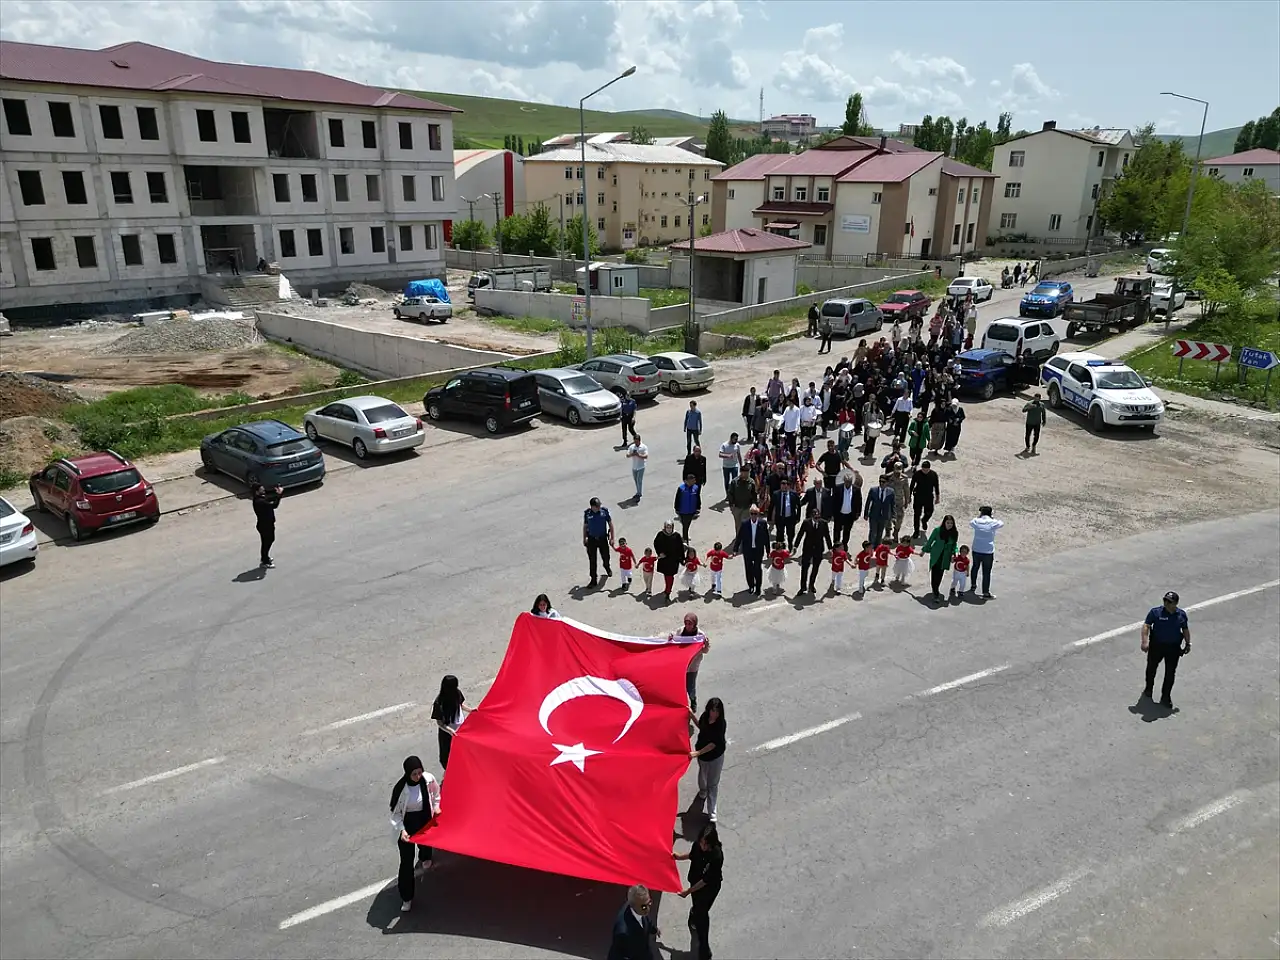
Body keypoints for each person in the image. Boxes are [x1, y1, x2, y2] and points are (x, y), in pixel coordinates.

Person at [389, 756, 440, 912]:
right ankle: (407, 897)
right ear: (407, 774)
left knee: (426, 843)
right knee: (406, 863)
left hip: (424, 818)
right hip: (407, 823)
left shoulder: (428, 779)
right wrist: (402, 830)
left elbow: (436, 794)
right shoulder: (401, 789)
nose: (418, 777)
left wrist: (437, 807)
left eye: (419, 772)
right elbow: (396, 814)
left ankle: (425, 857)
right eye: (414, 774)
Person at [675, 823, 724, 960]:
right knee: (697, 908)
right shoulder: (697, 846)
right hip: (695, 883)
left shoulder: (716, 856)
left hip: (708, 889)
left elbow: (705, 881)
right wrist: (679, 857)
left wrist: (688, 891)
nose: (702, 846)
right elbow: (692, 855)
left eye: (705, 844)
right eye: (702, 842)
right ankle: (694, 916)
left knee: (702, 913)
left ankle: (704, 949)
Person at [1142, 590, 1191, 708]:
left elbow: (1185, 629)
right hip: (1156, 646)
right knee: (1151, 669)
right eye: (1165, 600)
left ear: (1176, 603)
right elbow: (1146, 625)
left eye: (1169, 602)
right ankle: (1148, 689)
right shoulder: (1156, 612)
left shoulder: (1181, 615)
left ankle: (1165, 697)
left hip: (1173, 648)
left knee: (1170, 673)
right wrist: (1145, 641)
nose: (1166, 603)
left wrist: (1188, 643)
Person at [690, 697, 726, 822]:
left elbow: (713, 744)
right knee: (702, 777)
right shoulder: (705, 717)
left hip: (715, 757)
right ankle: (702, 792)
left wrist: (697, 753)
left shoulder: (721, 724)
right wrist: (691, 714)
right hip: (703, 757)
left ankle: (712, 812)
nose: (714, 713)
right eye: (712, 710)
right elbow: (700, 726)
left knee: (713, 784)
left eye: (716, 711)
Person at [608, 884, 658, 960]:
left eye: (649, 902)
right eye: (644, 906)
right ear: (633, 906)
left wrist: (654, 930)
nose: (648, 908)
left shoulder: (641, 908)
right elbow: (618, 954)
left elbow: (646, 920)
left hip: (644, 952)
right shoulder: (623, 932)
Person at [431, 674, 470, 770]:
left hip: (461, 729)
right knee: (447, 757)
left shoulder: (457, 693)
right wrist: (450, 731)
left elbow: (461, 705)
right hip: (447, 735)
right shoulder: (439, 702)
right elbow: (439, 722)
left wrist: (471, 710)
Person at [673, 612, 709, 710]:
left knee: (690, 688)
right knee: (680, 687)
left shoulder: (700, 635)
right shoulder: (680, 631)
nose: (687, 626)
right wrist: (671, 639)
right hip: (681, 665)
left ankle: (693, 700)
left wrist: (706, 645)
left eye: (690, 624)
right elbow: (674, 644)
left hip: (692, 667)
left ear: (694, 624)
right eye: (686, 623)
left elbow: (705, 651)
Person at [968, 505, 1004, 598]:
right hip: (988, 550)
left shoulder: (976, 521)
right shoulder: (993, 523)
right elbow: (1001, 523)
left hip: (976, 549)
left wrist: (979, 517)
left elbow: (971, 522)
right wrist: (992, 518)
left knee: (975, 567)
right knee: (986, 572)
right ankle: (985, 592)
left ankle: (973, 585)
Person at [922, 515, 959, 602]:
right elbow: (930, 541)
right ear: (944, 523)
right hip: (936, 555)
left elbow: (954, 545)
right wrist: (924, 550)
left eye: (951, 523)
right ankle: (936, 593)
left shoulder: (954, 533)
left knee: (940, 575)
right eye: (948, 523)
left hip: (946, 556)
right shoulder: (937, 530)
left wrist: (955, 553)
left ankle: (936, 589)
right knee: (934, 573)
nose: (949, 525)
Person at [796, 507, 832, 595]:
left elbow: (827, 536)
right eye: (815, 518)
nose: (817, 519)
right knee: (804, 568)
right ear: (812, 516)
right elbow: (800, 534)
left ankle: (811, 585)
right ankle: (803, 587)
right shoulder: (806, 522)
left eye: (818, 517)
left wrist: (830, 548)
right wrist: (795, 546)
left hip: (818, 549)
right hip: (807, 548)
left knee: (815, 568)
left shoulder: (823, 523)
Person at [736, 506, 770, 596]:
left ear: (758, 514)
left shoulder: (763, 523)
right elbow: (739, 537)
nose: (754, 516)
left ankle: (758, 587)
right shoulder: (745, 523)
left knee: (757, 569)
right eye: (752, 513)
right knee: (748, 569)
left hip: (758, 550)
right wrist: (735, 549)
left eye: (755, 514)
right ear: (749, 514)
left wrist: (768, 550)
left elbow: (766, 537)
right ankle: (751, 586)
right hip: (748, 550)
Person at [583, 497, 615, 587]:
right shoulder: (587, 514)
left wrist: (612, 538)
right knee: (592, 560)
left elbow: (611, 524)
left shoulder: (604, 512)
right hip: (592, 539)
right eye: (597, 506)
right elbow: (585, 526)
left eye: (599, 505)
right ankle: (593, 579)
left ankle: (607, 567)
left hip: (602, 539)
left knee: (606, 556)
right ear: (592, 507)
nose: (599, 507)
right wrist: (584, 538)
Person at [252, 483, 282, 568]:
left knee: (269, 541)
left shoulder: (261, 498)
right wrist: (279, 495)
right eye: (261, 489)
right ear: (257, 492)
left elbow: (270, 498)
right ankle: (265, 561)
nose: (263, 490)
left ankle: (264, 557)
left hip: (266, 524)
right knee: (267, 542)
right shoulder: (259, 502)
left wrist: (277, 493)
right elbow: (274, 505)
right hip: (265, 526)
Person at [654, 521, 685, 601]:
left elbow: (680, 548)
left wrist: (682, 559)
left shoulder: (676, 535)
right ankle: (667, 589)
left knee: (670, 576)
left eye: (670, 527)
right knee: (666, 575)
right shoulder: (661, 534)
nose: (669, 529)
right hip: (664, 559)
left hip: (673, 560)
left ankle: (668, 592)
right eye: (667, 527)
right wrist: (659, 553)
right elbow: (656, 543)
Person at [909, 460, 940, 538]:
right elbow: (912, 485)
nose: (925, 471)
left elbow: (936, 486)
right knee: (916, 515)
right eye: (923, 469)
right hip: (918, 496)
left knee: (930, 512)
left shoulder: (933, 474)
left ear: (929, 469)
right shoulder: (917, 474)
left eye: (926, 469)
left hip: (928, 497)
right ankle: (916, 531)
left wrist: (937, 497)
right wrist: (908, 496)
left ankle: (924, 520)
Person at [831, 472, 862, 548]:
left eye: (850, 482)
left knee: (847, 531)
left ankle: (844, 544)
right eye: (847, 481)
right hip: (839, 514)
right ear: (844, 481)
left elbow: (859, 502)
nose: (848, 483)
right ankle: (836, 545)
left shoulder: (856, 489)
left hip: (850, 515)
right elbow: (833, 501)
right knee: (837, 530)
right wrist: (832, 513)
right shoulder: (838, 488)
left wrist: (858, 514)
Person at [768, 477, 800, 551]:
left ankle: (790, 544)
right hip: (780, 517)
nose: (785, 485)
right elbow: (771, 506)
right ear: (780, 485)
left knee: (791, 533)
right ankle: (780, 548)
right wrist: (769, 518)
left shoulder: (794, 494)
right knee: (780, 533)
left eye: (787, 484)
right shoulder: (776, 494)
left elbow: (798, 507)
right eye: (783, 484)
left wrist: (798, 517)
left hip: (790, 518)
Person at [864, 474, 895, 547]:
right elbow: (868, 502)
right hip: (874, 515)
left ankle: (877, 547)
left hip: (884, 516)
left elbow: (893, 504)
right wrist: (866, 514)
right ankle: (870, 547)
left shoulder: (891, 492)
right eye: (880, 481)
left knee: (880, 532)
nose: (881, 483)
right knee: (873, 532)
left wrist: (893, 516)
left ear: (887, 482)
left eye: (883, 482)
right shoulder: (873, 490)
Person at [727, 470, 758, 540]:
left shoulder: (751, 481)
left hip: (747, 507)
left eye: (748, 473)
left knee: (745, 524)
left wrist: (754, 504)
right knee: (738, 524)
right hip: (737, 507)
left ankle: (745, 538)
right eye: (745, 473)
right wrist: (731, 505)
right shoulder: (734, 482)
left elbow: (754, 494)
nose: (746, 475)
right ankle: (739, 538)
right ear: (741, 473)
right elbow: (730, 494)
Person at [674, 474, 702, 541]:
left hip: (692, 511)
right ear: (688, 481)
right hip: (683, 511)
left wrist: (698, 507)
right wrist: (676, 508)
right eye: (693, 480)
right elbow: (677, 498)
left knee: (687, 525)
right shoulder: (681, 488)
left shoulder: (695, 488)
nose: (694, 482)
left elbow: (698, 497)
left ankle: (685, 536)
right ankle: (685, 539)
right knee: (685, 525)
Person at [624, 432, 648, 500]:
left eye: (637, 442)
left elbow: (646, 456)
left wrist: (638, 455)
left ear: (639, 441)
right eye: (635, 441)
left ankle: (639, 493)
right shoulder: (632, 447)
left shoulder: (643, 447)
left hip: (641, 467)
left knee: (639, 480)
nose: (636, 443)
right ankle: (638, 491)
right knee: (636, 480)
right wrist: (632, 454)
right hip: (634, 467)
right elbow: (627, 455)